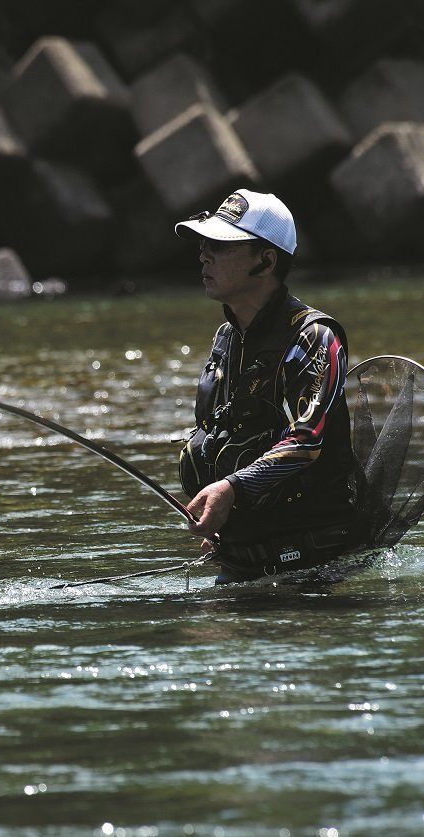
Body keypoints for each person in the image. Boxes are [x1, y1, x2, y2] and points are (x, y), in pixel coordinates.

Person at [173, 190, 361, 583]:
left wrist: (231, 489)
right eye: (204, 244)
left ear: (266, 260)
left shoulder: (316, 337)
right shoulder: (226, 338)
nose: (203, 255)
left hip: (316, 563)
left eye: (220, 246)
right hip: (241, 561)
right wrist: (223, 515)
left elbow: (307, 440)